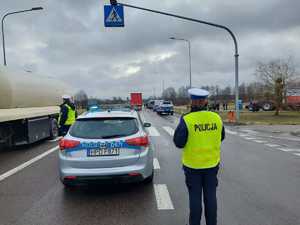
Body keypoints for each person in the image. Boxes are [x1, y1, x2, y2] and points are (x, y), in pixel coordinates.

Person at [173, 88, 225, 225]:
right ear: (206, 101)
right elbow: (222, 136)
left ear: (192, 101)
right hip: (212, 165)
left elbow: (178, 143)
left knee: (195, 198)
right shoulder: (216, 117)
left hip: (192, 166)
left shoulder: (187, 119)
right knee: (211, 198)